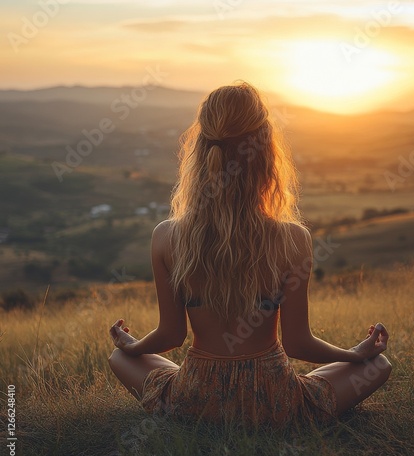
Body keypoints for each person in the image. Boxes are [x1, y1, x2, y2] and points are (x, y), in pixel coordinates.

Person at [108, 82, 391, 428]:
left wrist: (133, 347)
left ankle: (183, 411)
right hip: (274, 403)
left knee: (118, 358)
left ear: (200, 151)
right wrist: (353, 354)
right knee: (378, 366)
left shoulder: (166, 237)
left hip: (195, 400)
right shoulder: (293, 239)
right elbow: (298, 344)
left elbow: (171, 336)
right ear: (265, 155)